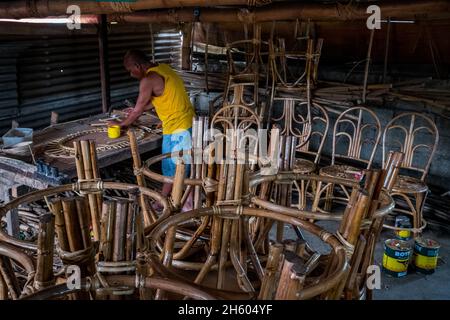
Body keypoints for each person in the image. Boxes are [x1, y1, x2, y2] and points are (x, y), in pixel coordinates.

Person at [109, 49, 195, 210]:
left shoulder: (148, 79)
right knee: (177, 165)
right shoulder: (164, 68)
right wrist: (137, 110)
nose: (131, 74)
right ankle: (166, 199)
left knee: (175, 166)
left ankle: (184, 205)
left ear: (137, 66)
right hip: (185, 122)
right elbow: (157, 99)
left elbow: (138, 110)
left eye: (130, 70)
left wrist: (122, 124)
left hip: (178, 127)